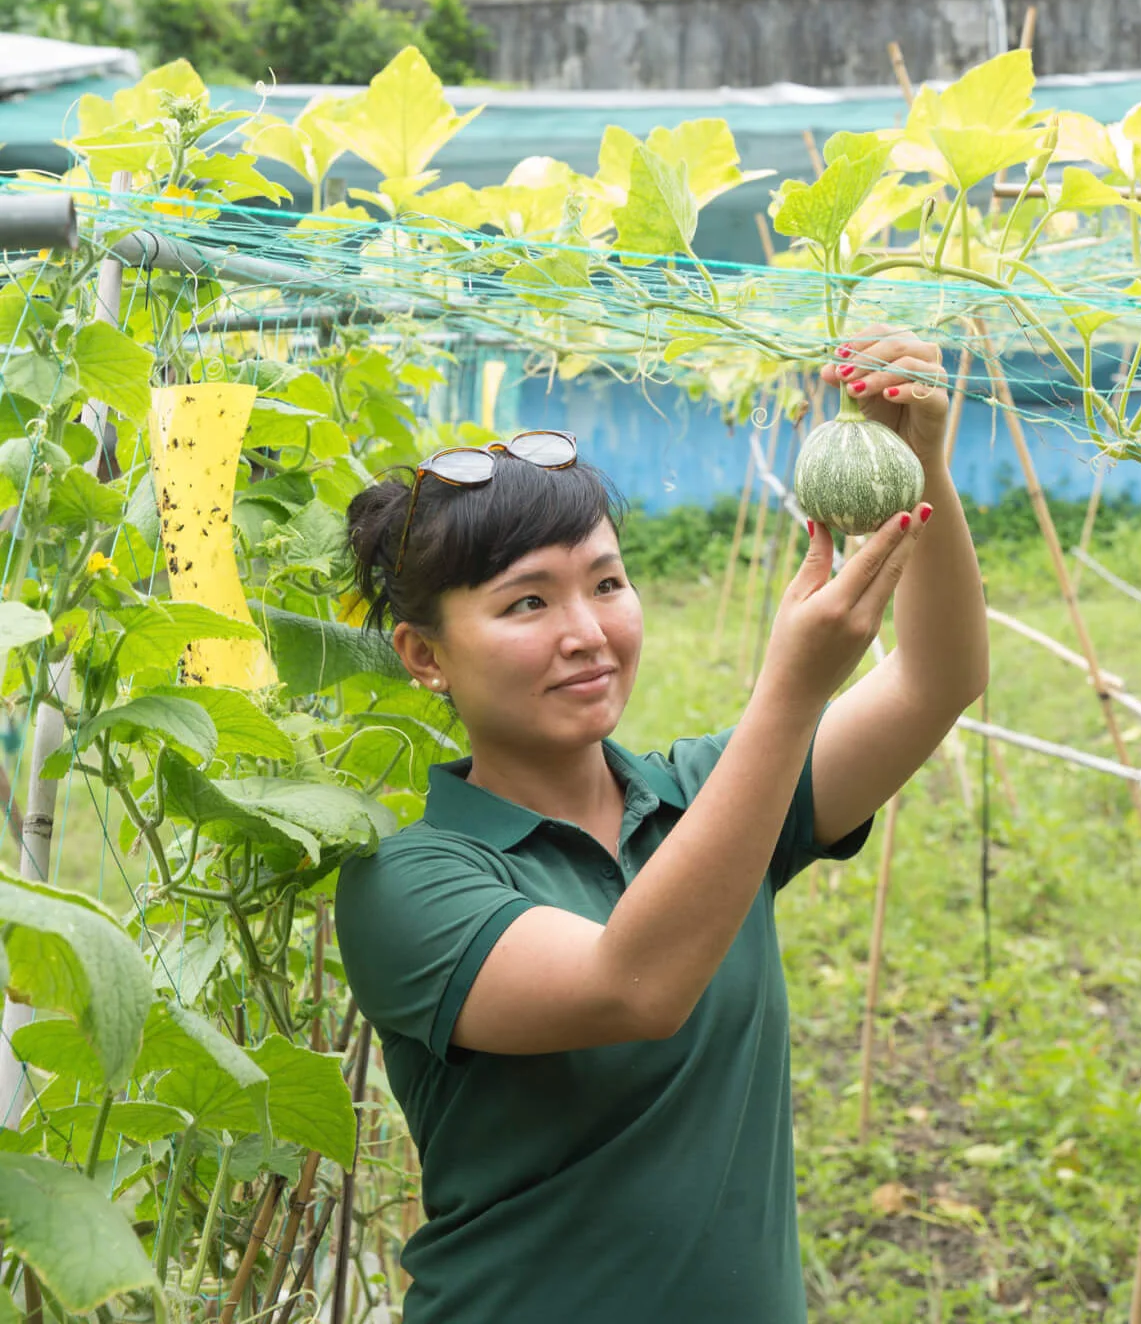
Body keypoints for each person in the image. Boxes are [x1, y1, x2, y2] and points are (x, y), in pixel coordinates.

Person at [333, 325, 988, 1324]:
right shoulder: (407, 882)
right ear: (424, 655)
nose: (587, 631)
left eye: (606, 581)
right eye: (525, 603)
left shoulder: (708, 792)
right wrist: (786, 695)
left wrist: (919, 469)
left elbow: (935, 683)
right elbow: (631, 986)